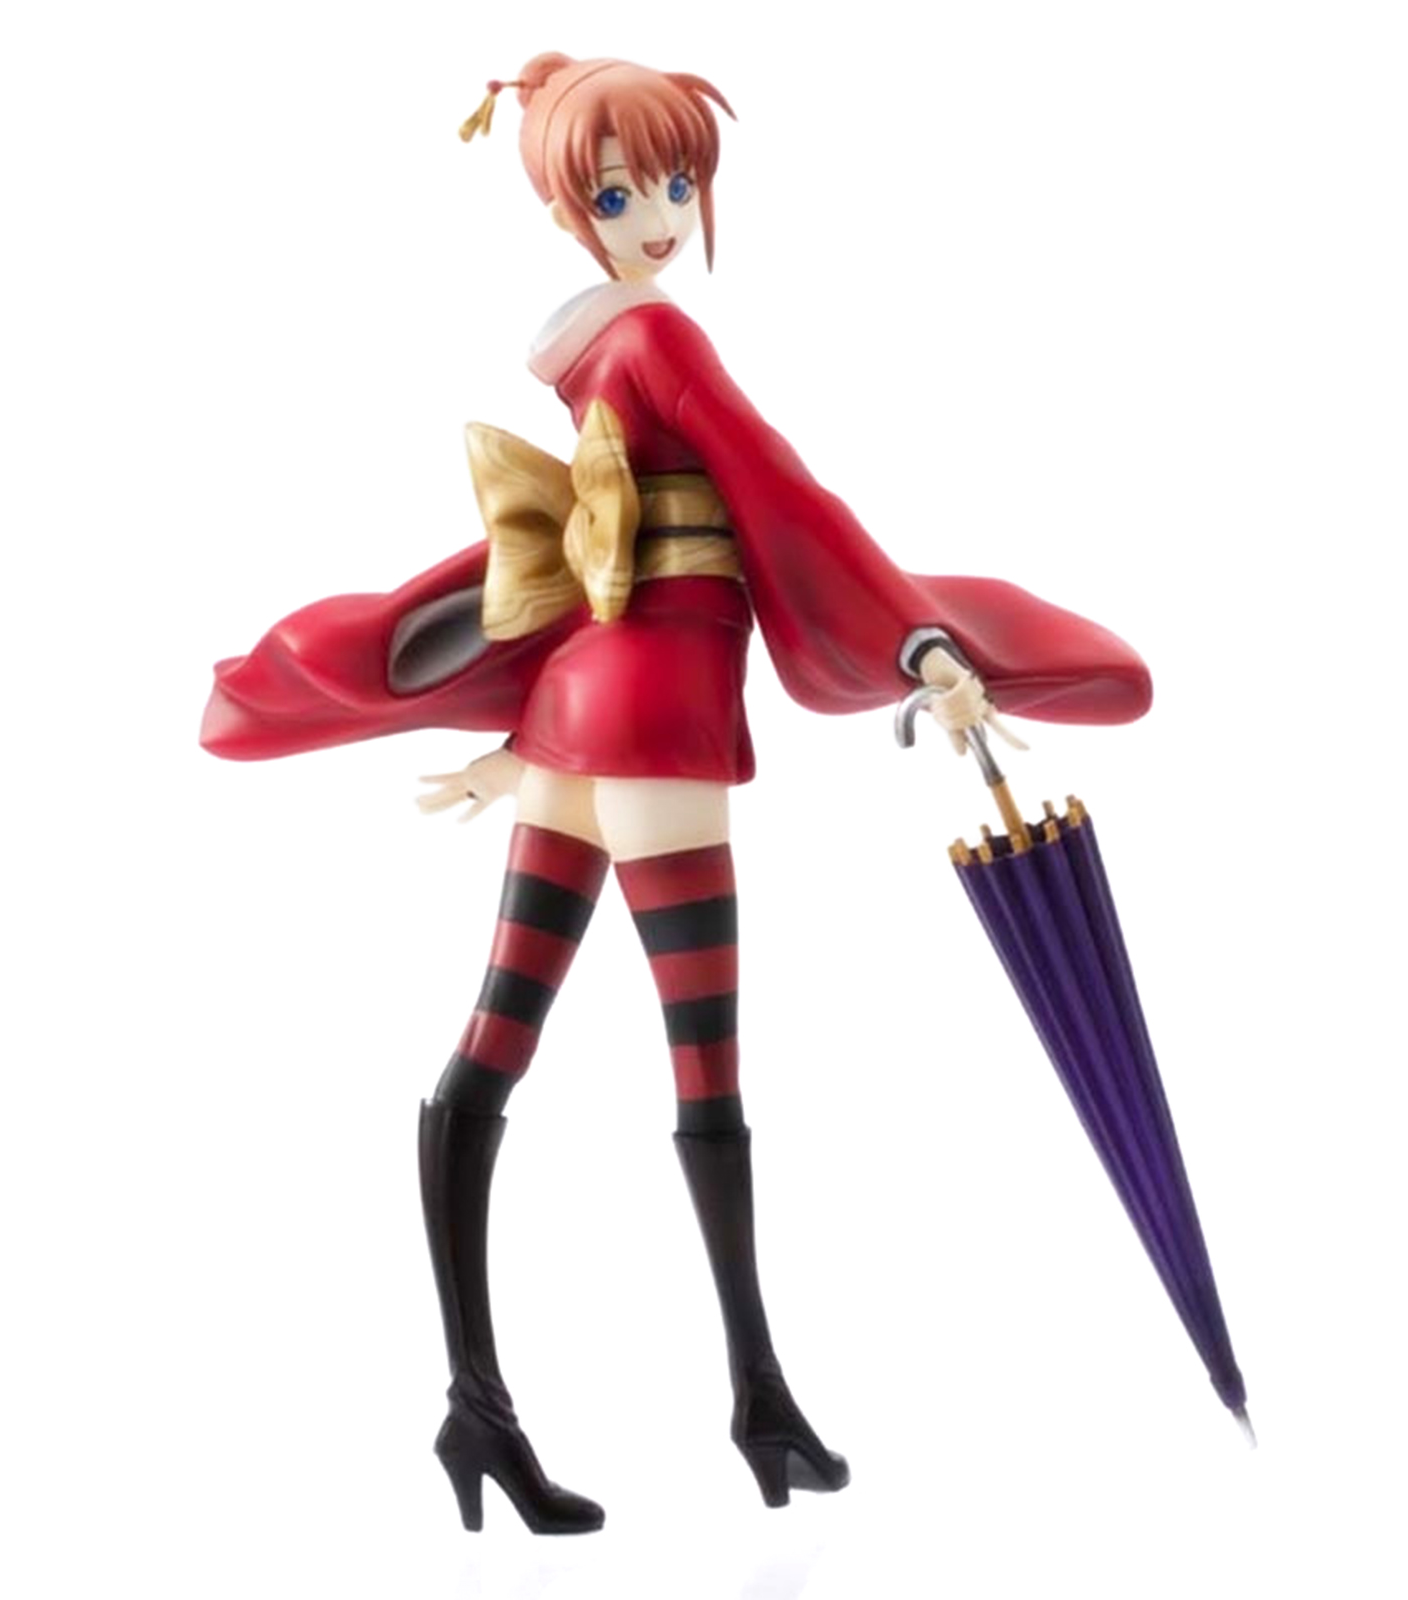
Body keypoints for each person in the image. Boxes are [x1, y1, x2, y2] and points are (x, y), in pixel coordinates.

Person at [201, 52, 1152, 1535]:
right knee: (703, 1071)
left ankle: (477, 1407)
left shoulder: (587, 356)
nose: (658, 215)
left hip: (582, 716)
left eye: (678, 182)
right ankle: (756, 1402)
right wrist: (918, 641)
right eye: (619, 193)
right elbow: (786, 494)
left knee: (496, 1041)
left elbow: (628, 550)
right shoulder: (659, 337)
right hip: (653, 721)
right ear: (566, 209)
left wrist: (525, 748)